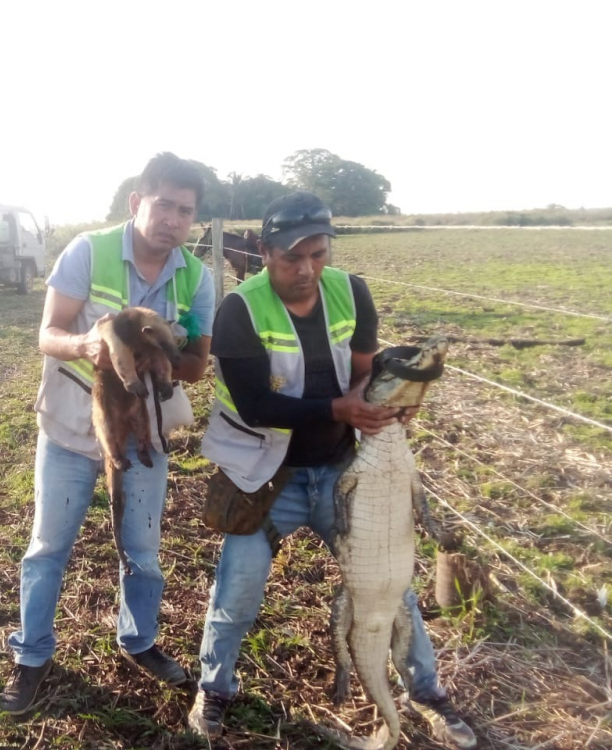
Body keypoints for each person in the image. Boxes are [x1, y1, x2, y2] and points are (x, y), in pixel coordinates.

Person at [187, 191, 477, 749]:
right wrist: (338, 409)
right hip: (266, 477)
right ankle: (215, 686)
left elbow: (363, 374)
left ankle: (426, 691)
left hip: (344, 471)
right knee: (238, 588)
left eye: (317, 255)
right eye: (292, 258)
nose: (307, 269)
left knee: (391, 585)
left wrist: (381, 406)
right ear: (264, 252)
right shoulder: (239, 310)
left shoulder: (351, 292)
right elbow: (255, 406)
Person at [0, 153, 216, 715]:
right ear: (137, 202)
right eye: (164, 204)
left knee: (142, 553)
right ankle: (32, 655)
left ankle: (138, 640)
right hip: (73, 427)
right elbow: (47, 334)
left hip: (143, 435)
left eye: (185, 211)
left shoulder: (196, 277)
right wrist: (89, 345)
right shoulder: (87, 251)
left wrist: (160, 353)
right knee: (48, 549)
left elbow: (198, 364)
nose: (172, 219)